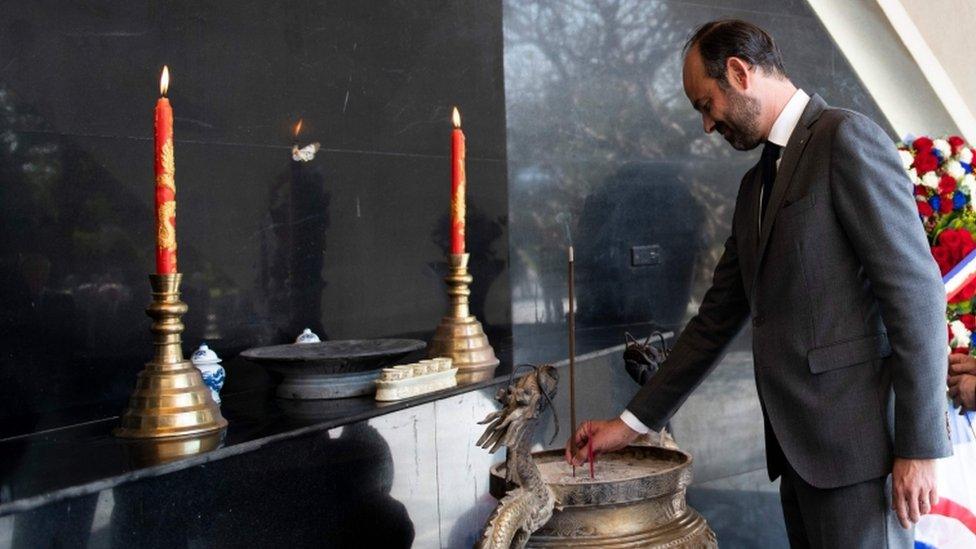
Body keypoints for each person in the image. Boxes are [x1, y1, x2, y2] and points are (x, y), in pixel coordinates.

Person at [564, 19, 953, 548]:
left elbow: (916, 294)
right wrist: (629, 424)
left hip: (861, 461)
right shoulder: (754, 187)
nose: (705, 125)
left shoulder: (845, 138)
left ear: (739, 72)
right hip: (797, 460)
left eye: (705, 104)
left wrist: (921, 446)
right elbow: (713, 323)